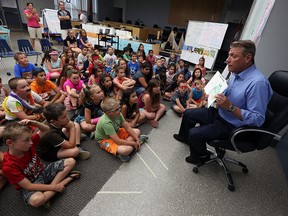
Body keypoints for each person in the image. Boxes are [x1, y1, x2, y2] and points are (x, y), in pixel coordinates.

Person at [173, 40, 273, 164]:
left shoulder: (258, 84)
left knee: (195, 133)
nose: (227, 60)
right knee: (188, 113)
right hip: (219, 112)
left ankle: (201, 157)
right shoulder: (236, 73)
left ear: (248, 58)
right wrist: (215, 94)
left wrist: (230, 107)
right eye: (228, 55)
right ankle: (184, 137)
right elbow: (229, 93)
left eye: (233, 56)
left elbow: (258, 119)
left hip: (231, 124)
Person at [1, 120, 80, 208]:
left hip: (43, 172)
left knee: (71, 161)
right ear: (9, 143)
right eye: (26, 140)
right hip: (31, 183)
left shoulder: (29, 145)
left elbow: (46, 130)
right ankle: (64, 182)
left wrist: (34, 123)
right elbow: (29, 186)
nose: (31, 142)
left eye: (30, 139)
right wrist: (54, 188)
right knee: (36, 201)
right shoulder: (8, 166)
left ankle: (51, 191)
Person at [95, 97, 148, 162]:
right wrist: (133, 143)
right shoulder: (106, 122)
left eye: (119, 107)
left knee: (137, 131)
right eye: (117, 109)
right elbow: (118, 141)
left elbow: (128, 127)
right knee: (125, 150)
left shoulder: (118, 113)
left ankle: (132, 143)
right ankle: (123, 151)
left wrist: (136, 139)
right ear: (108, 113)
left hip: (116, 132)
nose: (119, 110)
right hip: (105, 139)